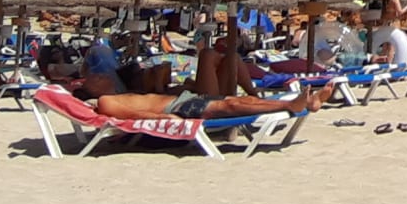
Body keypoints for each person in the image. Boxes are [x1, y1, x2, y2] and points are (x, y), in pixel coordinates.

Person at [90, 82, 335, 122]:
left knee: (242, 99)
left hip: (185, 100)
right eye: (96, 78)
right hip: (177, 108)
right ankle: (289, 105)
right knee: (230, 106)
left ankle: (309, 102)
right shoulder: (104, 100)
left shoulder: (117, 93)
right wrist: (164, 118)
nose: (102, 76)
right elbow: (133, 116)